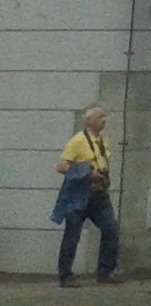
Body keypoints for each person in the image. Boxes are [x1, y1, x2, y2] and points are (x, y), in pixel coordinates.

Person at [54, 106, 119, 288]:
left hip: (99, 194)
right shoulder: (78, 141)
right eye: (100, 117)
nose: (104, 120)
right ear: (89, 121)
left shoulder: (102, 141)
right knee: (72, 235)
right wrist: (87, 174)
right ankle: (66, 275)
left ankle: (105, 271)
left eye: (104, 117)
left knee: (111, 229)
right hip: (80, 195)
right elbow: (61, 166)